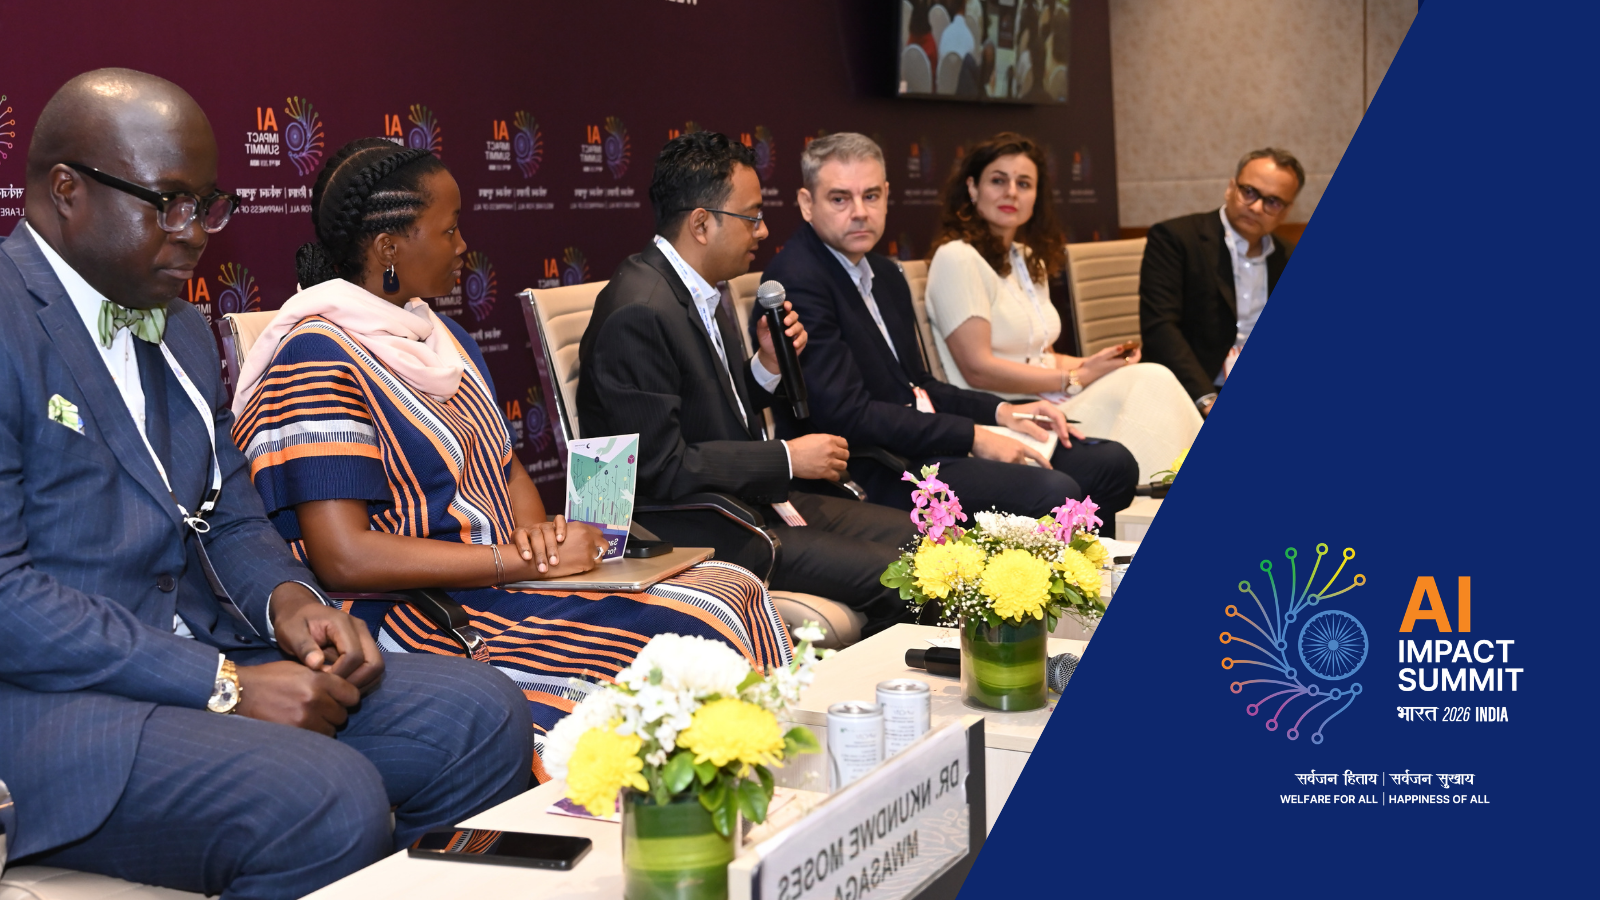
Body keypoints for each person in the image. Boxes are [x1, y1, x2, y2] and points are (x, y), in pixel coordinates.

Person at [0, 70, 530, 900]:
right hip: (53, 708)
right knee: (324, 800)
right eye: (168, 204)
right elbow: (8, 597)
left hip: (206, 654)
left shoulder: (180, 326)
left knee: (482, 713)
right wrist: (220, 686)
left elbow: (231, 517)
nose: (193, 234)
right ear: (66, 190)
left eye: (205, 205)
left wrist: (291, 602)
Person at [230, 138, 795, 766]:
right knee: (680, 635)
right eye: (449, 229)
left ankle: (757, 786)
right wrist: (518, 561)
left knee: (731, 590)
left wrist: (543, 541)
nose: (464, 246)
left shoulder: (442, 335)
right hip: (415, 611)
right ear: (389, 247)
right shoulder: (315, 355)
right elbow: (344, 558)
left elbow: (505, 464)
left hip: (497, 577)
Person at [578, 132, 918, 638]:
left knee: (923, 541)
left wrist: (765, 367)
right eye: (752, 217)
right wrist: (787, 458)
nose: (763, 231)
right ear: (701, 224)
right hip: (687, 528)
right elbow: (658, 469)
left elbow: (710, 414)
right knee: (906, 577)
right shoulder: (639, 310)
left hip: (742, 500)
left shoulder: (698, 287)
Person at [760, 133, 1138, 526]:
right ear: (807, 203)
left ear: (887, 195)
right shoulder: (798, 281)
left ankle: (1084, 565)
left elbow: (919, 384)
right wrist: (973, 435)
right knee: (1054, 491)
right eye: (840, 199)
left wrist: (1002, 411)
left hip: (921, 444)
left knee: (1112, 465)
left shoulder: (884, 273)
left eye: (871, 196)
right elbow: (848, 416)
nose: (860, 212)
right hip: (870, 468)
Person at [925, 131, 1201, 482]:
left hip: (1050, 399)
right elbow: (977, 369)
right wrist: (1073, 378)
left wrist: (1095, 364)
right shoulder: (957, 258)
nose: (1011, 192)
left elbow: (1041, 356)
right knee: (1151, 380)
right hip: (1006, 414)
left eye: (1024, 184)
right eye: (998, 180)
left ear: (1036, 196)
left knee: (1145, 374)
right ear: (972, 188)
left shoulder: (1026, 258)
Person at [1139, 147, 1302, 413]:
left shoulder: (1288, 256)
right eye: (1249, 192)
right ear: (1230, 188)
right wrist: (1206, 399)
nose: (1256, 207)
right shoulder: (1176, 239)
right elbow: (1160, 329)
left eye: (1273, 201)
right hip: (1192, 391)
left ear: (1285, 211)